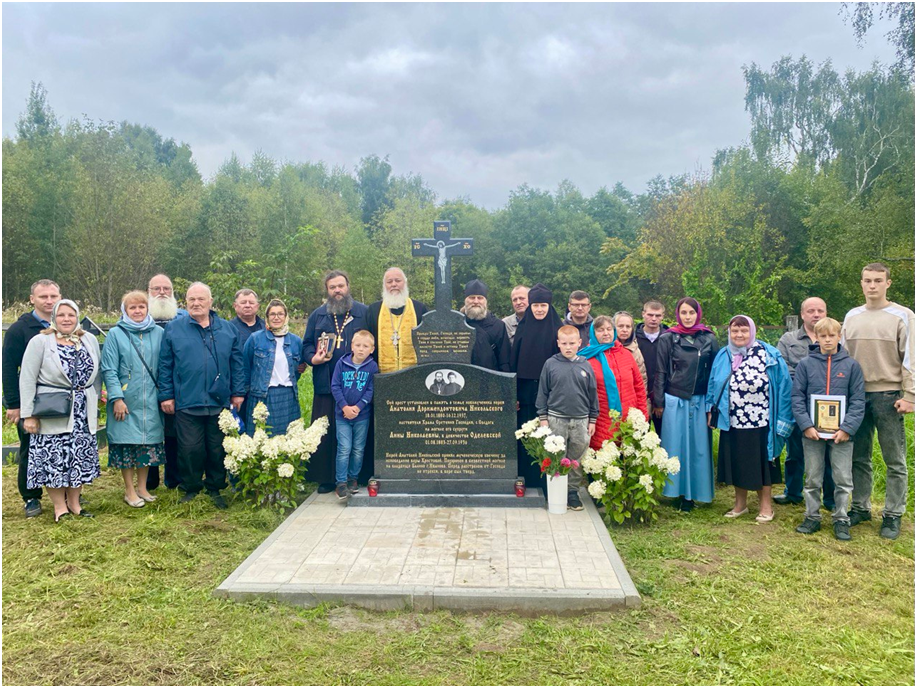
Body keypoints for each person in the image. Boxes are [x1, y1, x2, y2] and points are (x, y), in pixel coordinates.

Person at [842, 262, 915, 540]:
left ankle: (893, 514)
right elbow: (844, 358)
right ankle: (860, 507)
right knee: (859, 456)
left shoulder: (902, 316)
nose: (872, 285)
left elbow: (910, 358)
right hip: (857, 397)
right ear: (861, 283)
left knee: (894, 459)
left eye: (877, 280)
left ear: (888, 283)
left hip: (889, 396)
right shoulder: (852, 317)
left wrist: (910, 396)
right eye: (867, 280)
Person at [158, 282, 245, 509]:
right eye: (191, 300)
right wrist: (166, 395)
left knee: (217, 448)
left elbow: (237, 364)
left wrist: (238, 393)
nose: (196, 304)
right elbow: (165, 365)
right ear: (185, 303)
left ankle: (215, 487)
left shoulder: (227, 330)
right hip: (187, 401)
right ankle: (191, 487)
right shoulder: (174, 329)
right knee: (190, 449)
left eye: (200, 300)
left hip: (219, 402)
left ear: (210, 302)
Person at [18, 300, 101, 522]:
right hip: (52, 410)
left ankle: (75, 504)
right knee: (54, 459)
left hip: (82, 412)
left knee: (78, 457)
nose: (66, 319)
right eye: (61, 315)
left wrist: (94, 398)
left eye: (71, 315)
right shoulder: (41, 341)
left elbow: (97, 375)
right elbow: (27, 378)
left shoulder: (88, 339)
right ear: (54, 318)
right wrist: (28, 414)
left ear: (78, 317)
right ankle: (59, 508)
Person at [708, 315, 794, 523]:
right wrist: (711, 409)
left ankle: (766, 507)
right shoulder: (723, 355)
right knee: (737, 462)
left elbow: (784, 388)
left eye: (744, 330)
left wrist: (785, 419)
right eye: (735, 331)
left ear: (753, 331)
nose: (739, 335)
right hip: (733, 420)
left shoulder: (769, 354)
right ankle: (740, 504)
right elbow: (713, 383)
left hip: (762, 421)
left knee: (763, 463)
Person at [792, 318, 865, 540]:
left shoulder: (852, 366)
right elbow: (797, 397)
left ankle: (841, 519)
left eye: (831, 335)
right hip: (812, 433)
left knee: (843, 478)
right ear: (816, 337)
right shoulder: (805, 364)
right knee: (812, 477)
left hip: (842, 435)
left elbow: (858, 401)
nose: (827, 340)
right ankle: (812, 516)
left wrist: (847, 429)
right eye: (822, 336)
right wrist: (806, 425)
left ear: (839, 336)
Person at [302, 270, 368, 493]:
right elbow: (306, 345)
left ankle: (357, 475)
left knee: (357, 431)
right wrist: (313, 358)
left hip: (356, 385)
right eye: (333, 287)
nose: (337, 290)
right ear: (327, 290)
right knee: (326, 429)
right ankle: (327, 478)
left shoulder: (363, 313)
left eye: (341, 286)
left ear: (348, 286)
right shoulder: (318, 315)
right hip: (326, 382)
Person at [2, 279, 61, 518]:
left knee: (61, 446)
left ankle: (66, 490)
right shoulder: (20, 329)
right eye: (43, 296)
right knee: (30, 448)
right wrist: (14, 404)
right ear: (32, 299)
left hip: (60, 401)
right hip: (32, 402)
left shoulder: (66, 323)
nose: (49, 301)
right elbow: (8, 368)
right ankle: (31, 497)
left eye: (53, 296)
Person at [101, 291, 165, 508]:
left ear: (148, 309)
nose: (137, 311)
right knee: (127, 445)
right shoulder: (115, 334)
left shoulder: (158, 333)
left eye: (141, 307)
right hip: (126, 400)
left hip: (151, 400)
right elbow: (108, 369)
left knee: (145, 444)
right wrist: (117, 397)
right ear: (124, 311)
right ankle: (129, 490)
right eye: (132, 308)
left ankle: (143, 487)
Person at [654, 297, 719, 512]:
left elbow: (715, 373)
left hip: (700, 400)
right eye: (683, 312)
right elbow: (661, 370)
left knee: (698, 448)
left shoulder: (709, 337)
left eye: (691, 312)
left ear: (698, 314)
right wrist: (659, 401)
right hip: (675, 398)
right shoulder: (668, 337)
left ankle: (694, 494)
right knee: (674, 446)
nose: (688, 317)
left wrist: (712, 404)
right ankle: (673, 491)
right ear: (677, 314)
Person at [775, 297, 835, 508]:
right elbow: (783, 371)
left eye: (820, 310)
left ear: (826, 312)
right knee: (795, 451)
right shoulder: (788, 339)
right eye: (811, 311)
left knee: (828, 452)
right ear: (802, 315)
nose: (816, 314)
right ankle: (792, 492)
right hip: (798, 403)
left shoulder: (834, 338)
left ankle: (830, 497)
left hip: (829, 405)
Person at [536, 325, 598, 510]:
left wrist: (592, 419)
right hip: (556, 418)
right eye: (564, 343)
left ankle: (572, 492)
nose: (568, 347)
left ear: (580, 343)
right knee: (556, 456)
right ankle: (556, 492)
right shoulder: (550, 364)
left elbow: (592, 393)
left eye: (572, 343)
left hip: (580, 419)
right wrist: (543, 417)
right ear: (558, 343)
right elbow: (543, 392)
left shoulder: (585, 365)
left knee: (576, 458)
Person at [511, 283, 563, 486]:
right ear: (530, 306)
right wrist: (513, 394)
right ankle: (526, 479)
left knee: (550, 438)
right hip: (525, 395)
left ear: (549, 306)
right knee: (527, 436)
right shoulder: (523, 329)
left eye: (543, 305)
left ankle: (547, 481)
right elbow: (514, 363)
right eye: (536, 305)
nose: (539, 309)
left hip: (552, 395)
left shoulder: (558, 330)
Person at [145, 273, 187, 491]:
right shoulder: (140, 318)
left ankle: (174, 479)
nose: (162, 292)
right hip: (147, 387)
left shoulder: (185, 318)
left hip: (177, 387)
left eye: (166, 288)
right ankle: (149, 481)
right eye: (156, 288)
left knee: (173, 435)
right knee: (151, 434)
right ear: (148, 292)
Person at [580, 316, 648, 451]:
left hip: (628, 419)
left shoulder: (626, 354)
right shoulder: (585, 359)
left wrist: (643, 415)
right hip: (601, 421)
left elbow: (639, 387)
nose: (606, 333)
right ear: (593, 333)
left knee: (627, 463)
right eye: (600, 330)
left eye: (609, 329)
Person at [242, 299, 303, 437]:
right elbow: (245, 367)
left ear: (286, 316)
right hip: (261, 395)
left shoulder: (296, 341)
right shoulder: (255, 339)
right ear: (267, 317)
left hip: (287, 396)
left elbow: (299, 367)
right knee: (260, 440)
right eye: (272, 314)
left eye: (280, 314)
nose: (276, 317)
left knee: (287, 440)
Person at [330, 330, 379, 500]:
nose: (361, 349)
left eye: (365, 346)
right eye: (357, 345)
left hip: (362, 416)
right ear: (351, 346)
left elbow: (371, 390)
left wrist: (358, 407)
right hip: (342, 415)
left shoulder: (372, 367)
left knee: (358, 449)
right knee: (344, 448)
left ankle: (353, 478)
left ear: (372, 349)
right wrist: (345, 407)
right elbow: (335, 386)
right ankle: (341, 483)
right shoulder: (341, 364)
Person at [365, 267, 428, 373]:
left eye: (398, 281)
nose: (394, 284)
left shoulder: (419, 309)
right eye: (389, 282)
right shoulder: (374, 310)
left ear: (405, 283)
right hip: (381, 374)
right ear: (384, 285)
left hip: (414, 374)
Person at [635, 300, 668, 435]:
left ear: (663, 316)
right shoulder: (633, 338)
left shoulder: (670, 337)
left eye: (658, 315)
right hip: (640, 396)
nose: (654, 319)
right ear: (643, 314)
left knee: (665, 438)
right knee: (639, 439)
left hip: (664, 395)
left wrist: (660, 399)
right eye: (650, 314)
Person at [464, 280, 511, 372]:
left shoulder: (498, 326)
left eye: (480, 298)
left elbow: (504, 361)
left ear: (485, 301)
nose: (476, 301)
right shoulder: (456, 324)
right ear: (465, 300)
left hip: (490, 381)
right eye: (472, 297)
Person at [612, 311, 648, 393]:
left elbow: (642, 378)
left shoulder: (635, 350)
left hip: (630, 395)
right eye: (620, 326)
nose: (624, 330)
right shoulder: (606, 349)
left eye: (628, 327)